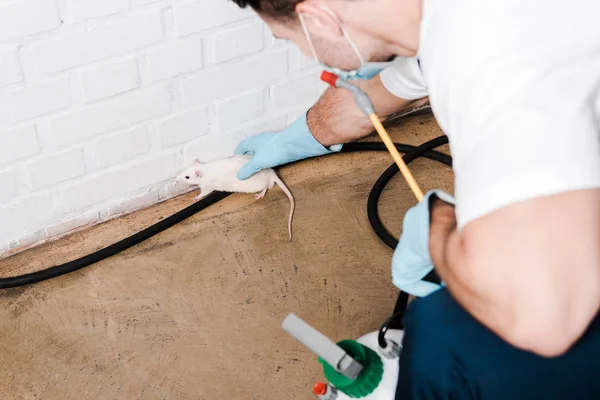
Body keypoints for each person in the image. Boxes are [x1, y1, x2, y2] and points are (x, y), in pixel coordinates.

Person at [229, 0, 600, 397]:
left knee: (438, 334)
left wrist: (440, 223)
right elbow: (374, 96)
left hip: (564, 300)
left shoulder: (500, 68)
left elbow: (543, 320)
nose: (305, 53)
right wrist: (299, 137)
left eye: (290, 38)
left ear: (319, 20)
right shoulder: (458, 20)